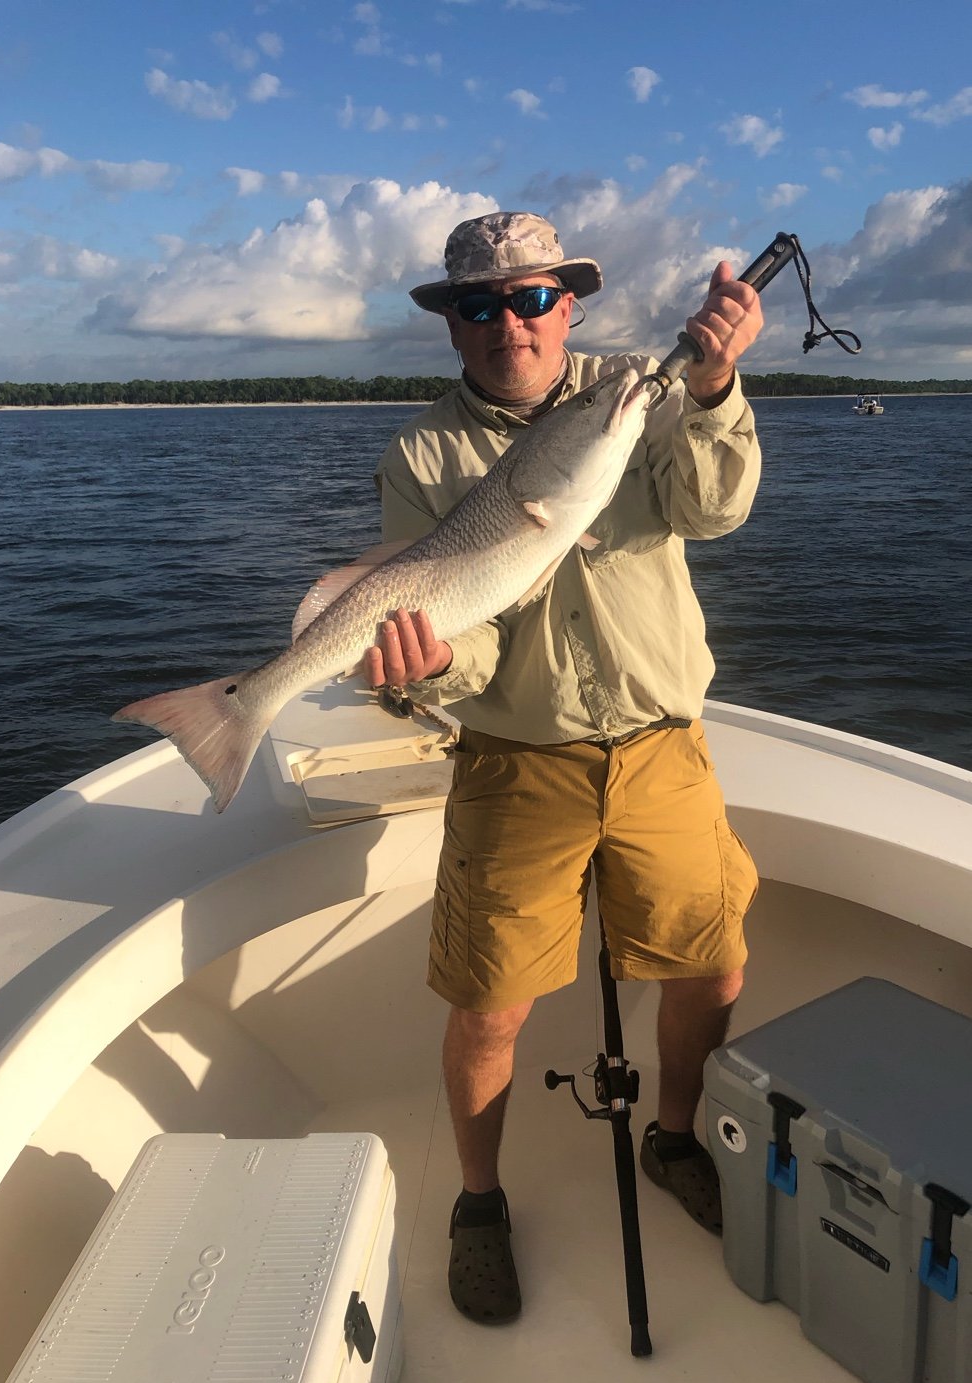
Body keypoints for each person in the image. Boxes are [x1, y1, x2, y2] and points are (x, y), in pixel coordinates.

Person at [366, 211, 763, 1324]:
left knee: (712, 964)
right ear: (453, 328)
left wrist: (720, 382)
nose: (511, 324)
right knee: (490, 1007)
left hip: (659, 747)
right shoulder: (425, 456)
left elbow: (712, 506)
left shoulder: (633, 392)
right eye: (481, 306)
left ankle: (672, 1137)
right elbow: (474, 639)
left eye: (532, 298)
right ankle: (480, 1204)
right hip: (516, 763)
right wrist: (427, 665)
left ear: (570, 302)